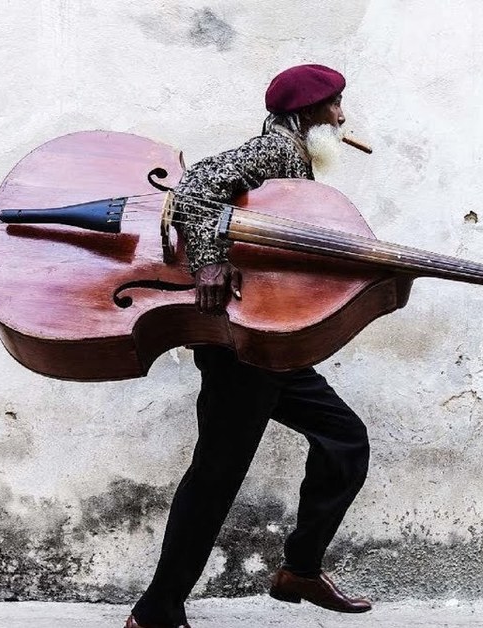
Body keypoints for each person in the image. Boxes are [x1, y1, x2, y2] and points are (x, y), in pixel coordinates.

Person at [125, 64, 374, 628]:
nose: (341, 117)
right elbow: (197, 185)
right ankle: (156, 610)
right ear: (306, 115)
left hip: (273, 343)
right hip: (238, 350)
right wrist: (210, 261)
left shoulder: (297, 161)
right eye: (334, 107)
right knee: (216, 475)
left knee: (344, 441)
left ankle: (299, 571)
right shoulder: (269, 151)